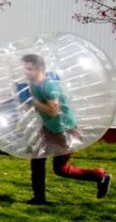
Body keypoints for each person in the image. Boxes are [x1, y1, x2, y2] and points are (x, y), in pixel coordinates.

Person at [21, 53, 110, 205]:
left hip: (65, 130)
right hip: (48, 128)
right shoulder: (32, 85)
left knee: (61, 169)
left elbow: (53, 111)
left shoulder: (49, 86)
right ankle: (39, 198)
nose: (26, 72)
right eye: (25, 69)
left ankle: (100, 175)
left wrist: (33, 102)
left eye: (29, 69)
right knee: (36, 160)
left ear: (40, 69)